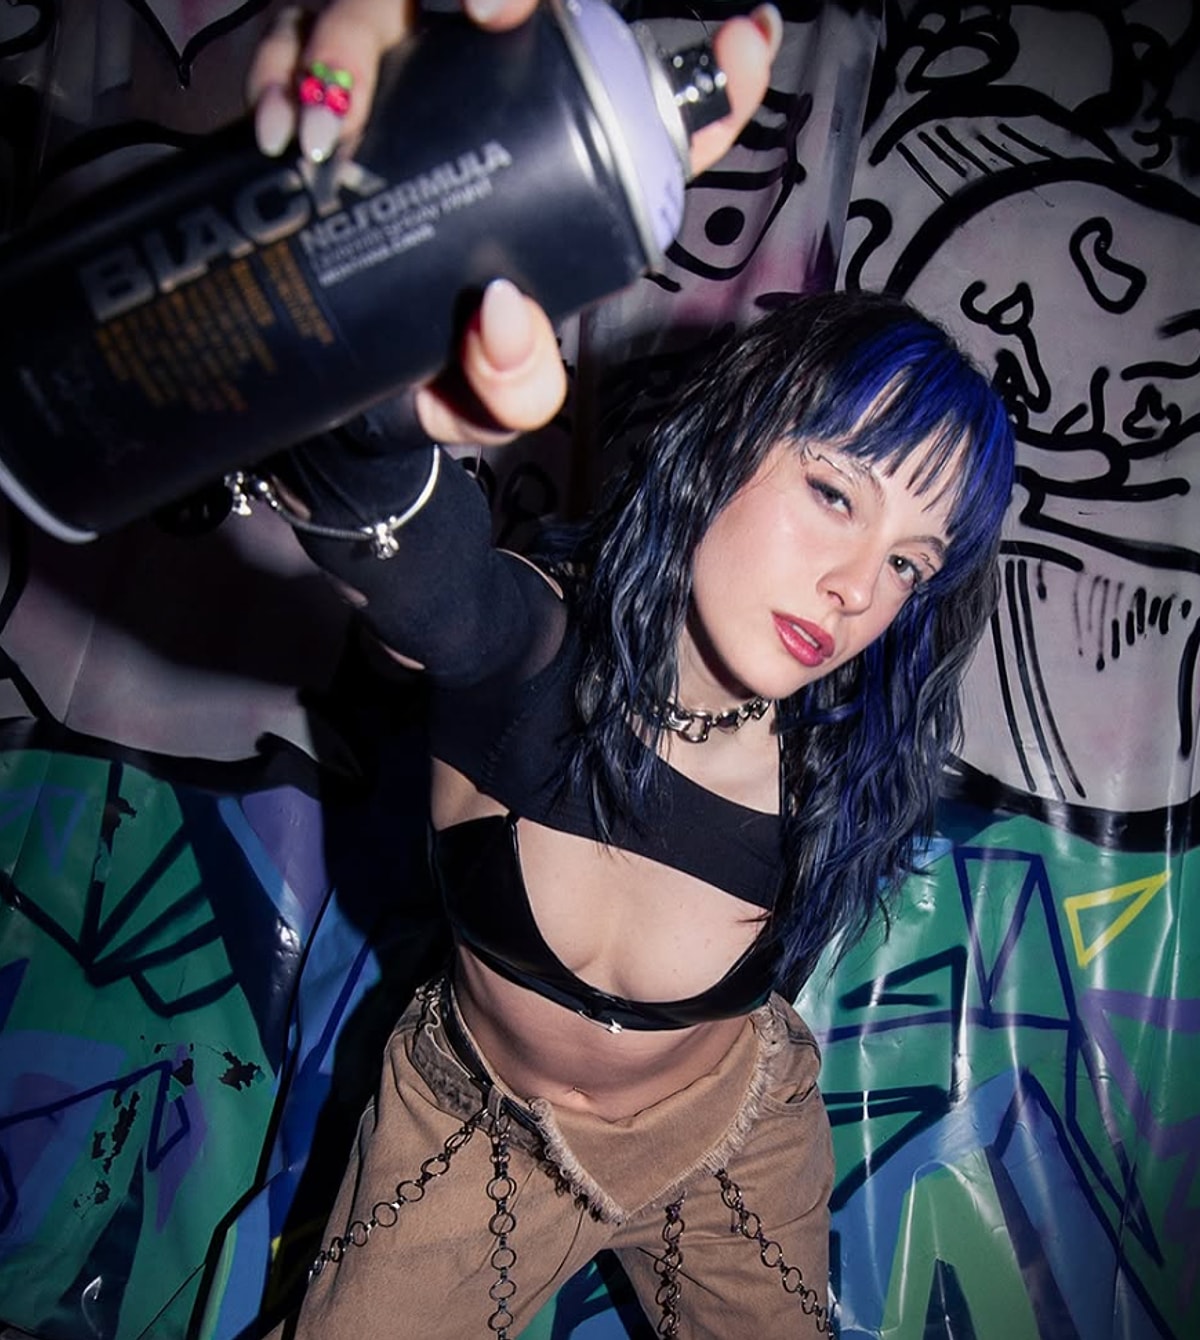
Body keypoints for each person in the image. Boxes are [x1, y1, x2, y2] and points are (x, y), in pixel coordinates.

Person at [245, 3, 1015, 1336]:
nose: (860, 587)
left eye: (909, 562)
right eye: (836, 493)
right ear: (724, 449)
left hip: (734, 1142)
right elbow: (439, 589)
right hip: (474, 1129)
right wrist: (366, 362)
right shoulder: (537, 654)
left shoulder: (839, 755)